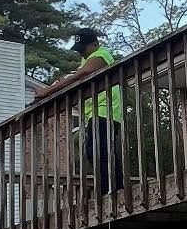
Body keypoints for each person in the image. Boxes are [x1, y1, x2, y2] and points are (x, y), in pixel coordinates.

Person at [32, 27, 124, 193]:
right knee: (96, 149)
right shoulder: (87, 58)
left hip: (106, 110)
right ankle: (113, 187)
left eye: (84, 48)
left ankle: (113, 189)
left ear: (95, 44)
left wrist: (47, 91)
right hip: (95, 112)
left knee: (99, 149)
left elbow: (81, 75)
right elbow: (78, 77)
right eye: (79, 50)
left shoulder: (102, 55)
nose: (81, 53)